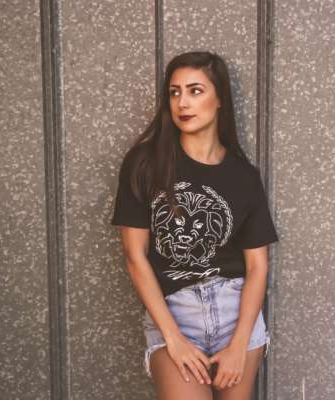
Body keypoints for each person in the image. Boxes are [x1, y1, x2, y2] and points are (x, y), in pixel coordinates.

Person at [110, 51, 279, 400]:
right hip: (175, 312)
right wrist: (172, 338)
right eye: (175, 92)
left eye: (195, 91)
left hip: (236, 313)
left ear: (220, 99)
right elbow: (134, 256)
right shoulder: (144, 163)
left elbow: (257, 266)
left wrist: (240, 344)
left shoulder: (244, 176)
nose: (182, 103)